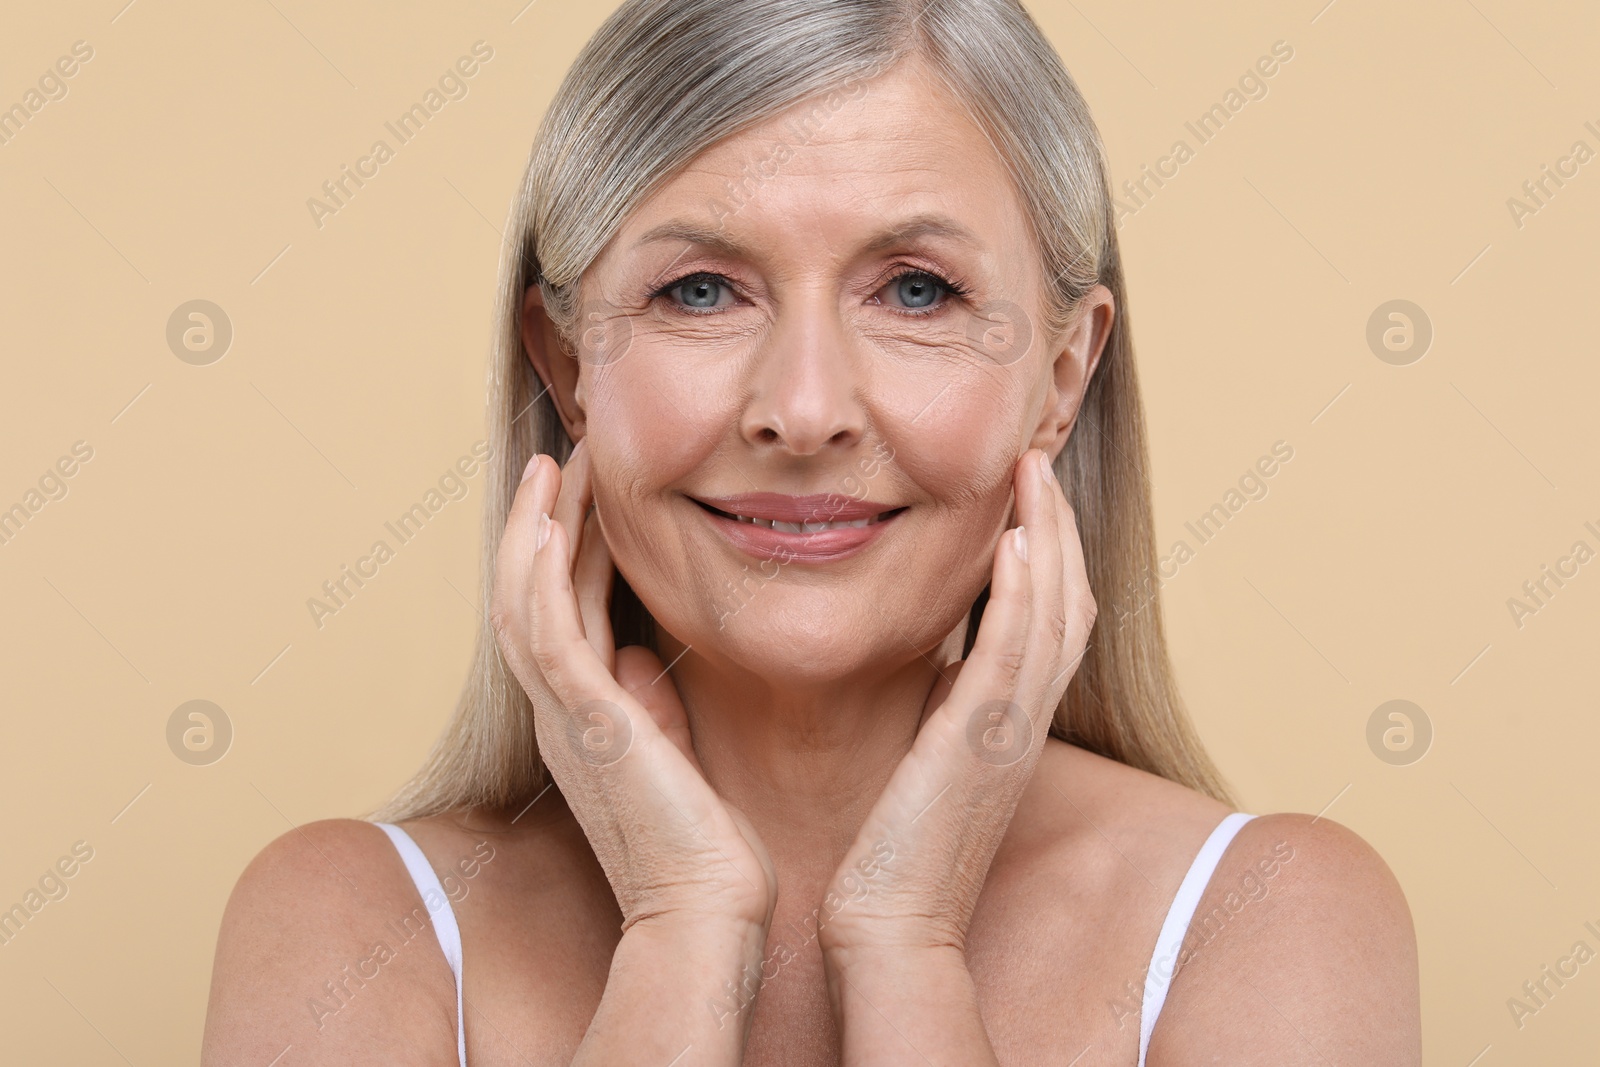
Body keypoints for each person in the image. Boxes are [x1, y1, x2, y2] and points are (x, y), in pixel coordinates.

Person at [203, 1, 1420, 1063]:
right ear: (569, 368)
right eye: (700, 290)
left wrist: (908, 941)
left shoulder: (1263, 915)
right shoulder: (355, 928)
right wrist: (681, 928)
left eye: (914, 290)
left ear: (1059, 378)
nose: (802, 409)